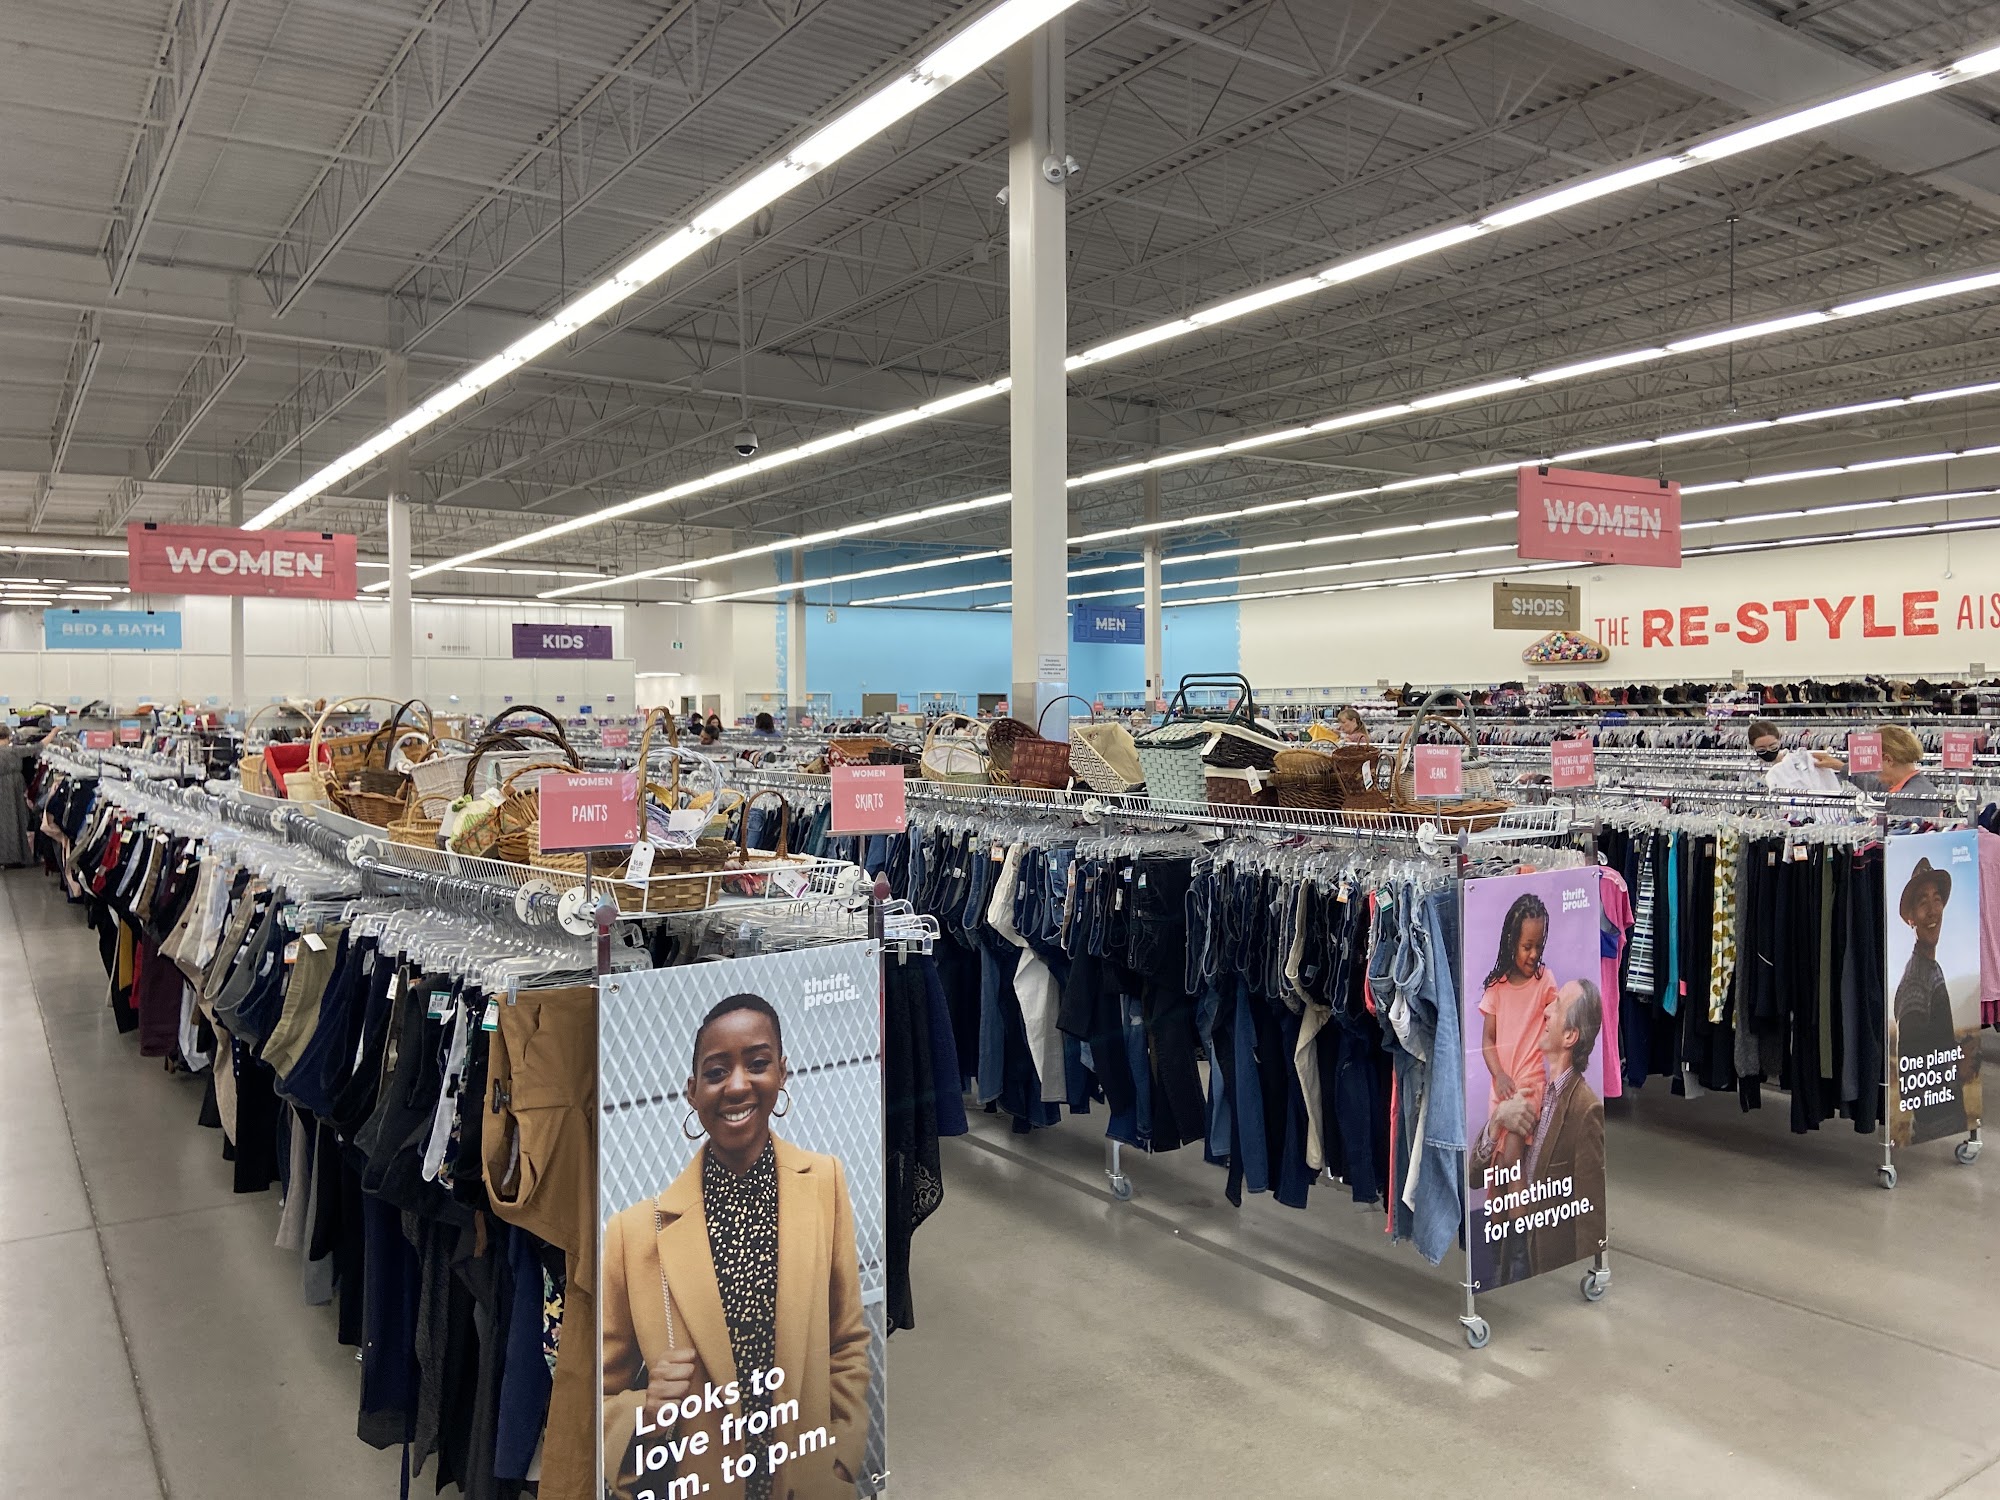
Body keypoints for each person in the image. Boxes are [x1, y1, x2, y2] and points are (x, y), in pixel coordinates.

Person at [601, 994, 869, 1500]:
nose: (739, 1085)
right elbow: (597, 1396)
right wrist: (644, 1413)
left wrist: (838, 1463)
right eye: (717, 1072)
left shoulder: (824, 1182)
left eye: (758, 1064)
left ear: (783, 1072)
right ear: (692, 1091)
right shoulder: (633, 1235)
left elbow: (847, 1339)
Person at [1480, 979, 1608, 1280]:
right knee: (1501, 1170)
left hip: (1540, 1255)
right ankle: (1502, 1254)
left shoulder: (1584, 1110)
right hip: (1519, 1243)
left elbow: (1590, 1212)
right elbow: (1476, 1174)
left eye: (1556, 1006)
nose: (1545, 1011)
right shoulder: (1539, 1096)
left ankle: (1512, 1255)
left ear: (1570, 1036)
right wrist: (1497, 1121)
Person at [1478, 893, 1557, 1170]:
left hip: (1530, 1085)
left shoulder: (1545, 981)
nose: (1534, 954)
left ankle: (1522, 1202)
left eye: (1539, 945)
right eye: (1527, 946)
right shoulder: (1496, 987)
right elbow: (1488, 1039)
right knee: (1498, 1165)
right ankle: (1512, 1201)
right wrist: (1499, 1075)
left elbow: (1558, 1023)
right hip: (1501, 1090)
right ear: (1511, 942)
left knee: (1512, 1154)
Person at [1893, 858, 1965, 1140]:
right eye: (1923, 902)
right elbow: (1911, 1076)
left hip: (1946, 1115)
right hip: (1937, 1121)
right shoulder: (1915, 985)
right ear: (1910, 917)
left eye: (1937, 899)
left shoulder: (1931, 968)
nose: (1933, 909)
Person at [1813, 724, 1946, 815]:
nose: (1872, 768)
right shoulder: (1911, 785)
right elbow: (1875, 786)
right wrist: (1839, 766)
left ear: (1888, 760)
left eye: (1874, 760)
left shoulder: (1908, 800)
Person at [1747, 719, 1839, 793]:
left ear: (1779, 741)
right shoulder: (1747, 772)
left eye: (1772, 746)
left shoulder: (1802, 764)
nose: (1768, 750)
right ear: (1752, 747)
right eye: (1761, 749)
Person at [0, 725, 29, 867]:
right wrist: (53, 732)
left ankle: (5, 856)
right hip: (15, 786)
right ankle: (17, 856)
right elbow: (38, 747)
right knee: (18, 820)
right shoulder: (14, 751)